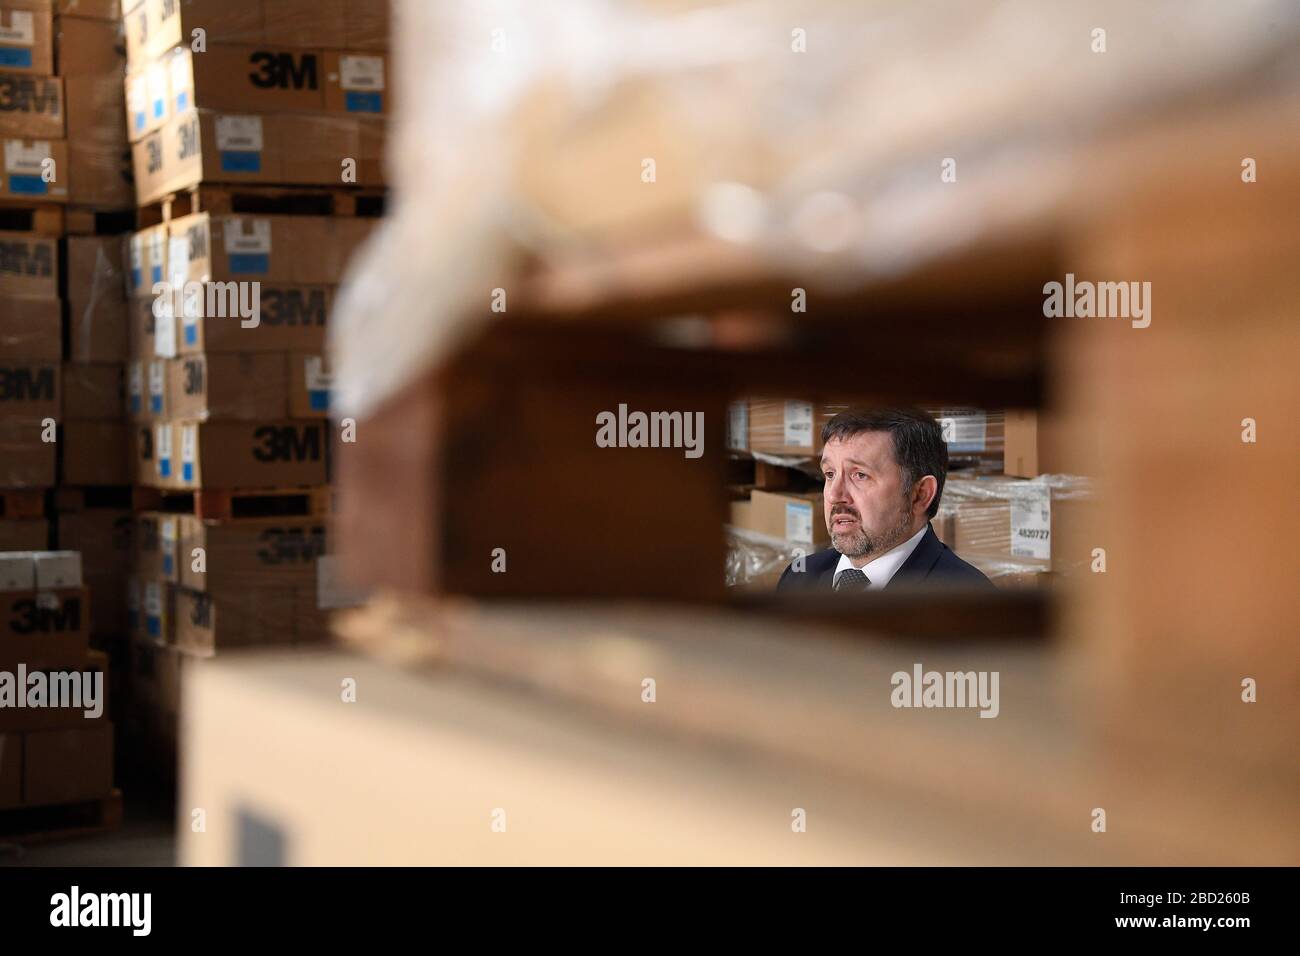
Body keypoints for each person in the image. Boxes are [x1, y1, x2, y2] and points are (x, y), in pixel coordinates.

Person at [776, 408, 994, 592]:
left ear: (920, 495)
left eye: (860, 475)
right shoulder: (798, 578)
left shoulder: (970, 599)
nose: (834, 495)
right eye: (830, 474)